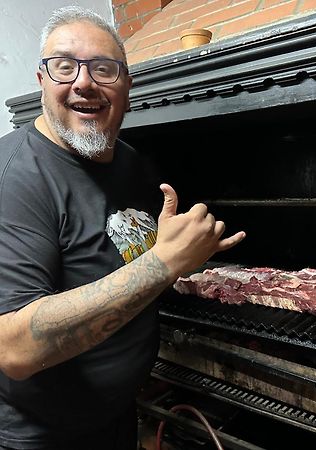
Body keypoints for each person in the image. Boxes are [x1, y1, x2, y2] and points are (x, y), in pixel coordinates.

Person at [0, 5, 245, 450]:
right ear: (42, 82)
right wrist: (165, 263)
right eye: (64, 66)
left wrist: (185, 257)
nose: (84, 82)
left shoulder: (131, 163)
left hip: (115, 417)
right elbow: (15, 349)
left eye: (104, 69)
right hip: (41, 436)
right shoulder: (15, 179)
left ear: (127, 88)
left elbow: (126, 256)